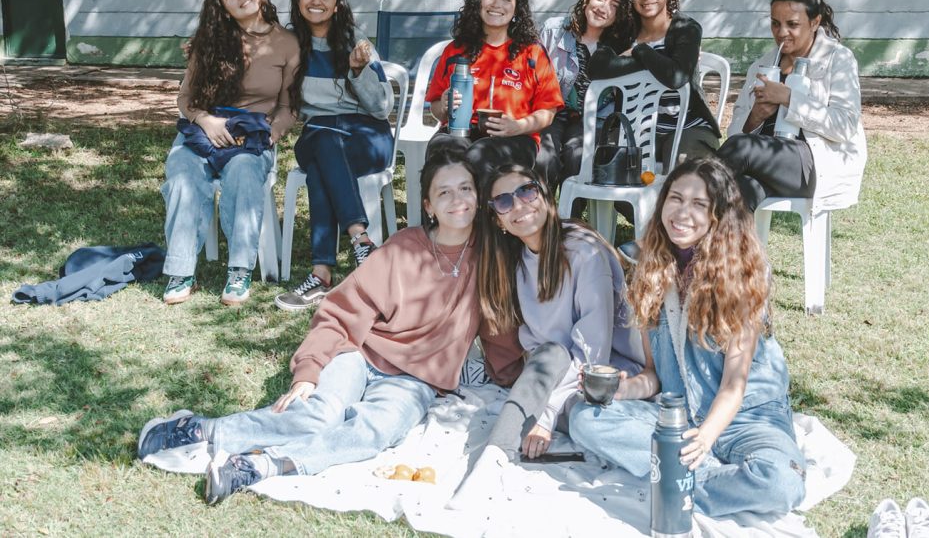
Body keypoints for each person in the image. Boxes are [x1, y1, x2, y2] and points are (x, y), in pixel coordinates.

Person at [139, 147, 483, 505]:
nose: (457, 200)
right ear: (428, 206)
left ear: (478, 194)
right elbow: (341, 311)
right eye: (444, 192)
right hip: (360, 354)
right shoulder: (404, 248)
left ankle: (260, 465)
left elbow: (502, 325)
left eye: (465, 189)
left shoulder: (490, 257)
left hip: (413, 379)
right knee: (319, 414)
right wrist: (309, 370)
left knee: (375, 431)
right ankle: (203, 429)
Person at [570, 157, 807, 519]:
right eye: (676, 199)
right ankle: (701, 477)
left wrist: (706, 437)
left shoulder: (743, 276)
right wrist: (623, 389)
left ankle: (679, 477)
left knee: (781, 484)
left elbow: (734, 386)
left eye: (699, 204)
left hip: (748, 418)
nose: (683, 213)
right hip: (679, 417)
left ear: (718, 215)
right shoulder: (650, 270)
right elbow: (654, 375)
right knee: (584, 418)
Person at [447, 166, 644, 508]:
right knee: (553, 366)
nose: (519, 205)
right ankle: (494, 458)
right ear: (498, 220)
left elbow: (593, 352)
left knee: (579, 417)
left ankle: (498, 452)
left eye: (526, 191)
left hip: (608, 374)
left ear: (545, 196)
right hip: (558, 376)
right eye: (504, 201)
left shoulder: (584, 252)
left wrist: (546, 412)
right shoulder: (519, 262)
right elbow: (541, 349)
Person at [162, 0, 299, 307]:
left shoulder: (287, 43)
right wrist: (205, 120)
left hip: (252, 133)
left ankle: (239, 270)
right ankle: (180, 270)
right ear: (223, 8)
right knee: (181, 172)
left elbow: (288, 106)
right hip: (204, 129)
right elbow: (185, 98)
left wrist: (271, 134)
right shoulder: (210, 41)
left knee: (244, 171)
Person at [273, 0, 395, 312]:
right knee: (324, 143)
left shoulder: (355, 40)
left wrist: (357, 71)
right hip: (319, 134)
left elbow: (382, 107)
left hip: (366, 136)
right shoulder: (288, 45)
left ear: (337, 3)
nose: (317, 0)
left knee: (320, 166)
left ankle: (321, 274)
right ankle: (361, 240)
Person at [716, 0, 867, 212]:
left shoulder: (838, 59)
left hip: (812, 164)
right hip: (764, 161)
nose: (781, 32)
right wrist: (755, 117)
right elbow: (735, 132)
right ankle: (709, 232)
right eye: (775, 23)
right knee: (740, 192)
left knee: (742, 147)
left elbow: (844, 125)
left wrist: (788, 97)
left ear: (815, 22)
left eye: (792, 24)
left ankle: (687, 197)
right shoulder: (762, 65)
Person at [425, 0, 563, 180]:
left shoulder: (532, 52)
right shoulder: (455, 51)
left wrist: (518, 126)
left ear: (516, 9)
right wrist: (443, 106)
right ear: (477, 3)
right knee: (442, 152)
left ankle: (482, 203)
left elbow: (548, 111)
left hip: (516, 136)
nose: (497, 4)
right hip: (461, 131)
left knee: (480, 156)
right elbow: (436, 109)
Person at [590, 0, 719, 170]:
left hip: (687, 126)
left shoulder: (686, 28)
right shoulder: (624, 32)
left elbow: (676, 77)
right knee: (608, 171)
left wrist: (640, 51)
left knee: (683, 172)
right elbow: (596, 68)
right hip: (634, 127)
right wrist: (655, 63)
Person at [535, 0, 622, 192]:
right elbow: (530, 72)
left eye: (614, 5)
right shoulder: (554, 31)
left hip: (593, 118)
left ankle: (571, 210)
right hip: (551, 113)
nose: (603, 8)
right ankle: (542, 208)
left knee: (578, 157)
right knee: (544, 157)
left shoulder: (620, 45)